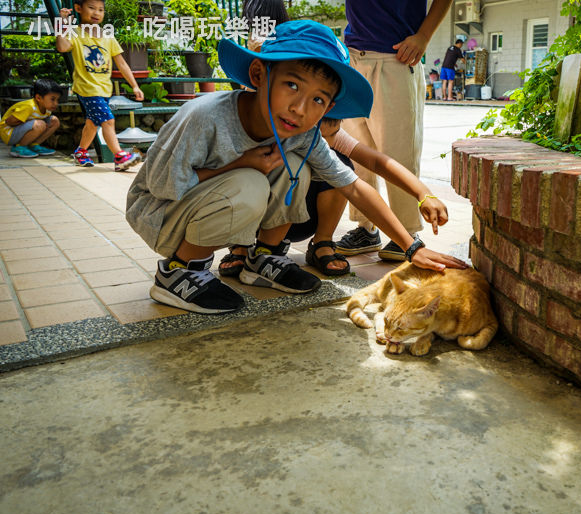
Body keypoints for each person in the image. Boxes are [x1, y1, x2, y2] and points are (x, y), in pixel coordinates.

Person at [125, 20, 466, 315]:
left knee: (296, 166)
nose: (301, 109)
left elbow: (353, 186)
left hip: (207, 206)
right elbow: (162, 185)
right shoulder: (206, 117)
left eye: (318, 99)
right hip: (161, 213)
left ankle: (263, 258)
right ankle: (180, 271)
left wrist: (413, 248)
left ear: (330, 106)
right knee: (250, 182)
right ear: (260, 74)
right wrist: (243, 163)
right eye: (292, 85)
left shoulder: (302, 135)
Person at [218, 117, 451, 278]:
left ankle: (322, 243)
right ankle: (242, 245)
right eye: (322, 137)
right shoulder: (267, 129)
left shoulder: (329, 132)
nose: (326, 144)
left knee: (340, 164)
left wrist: (423, 194)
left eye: (333, 135)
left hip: (301, 219)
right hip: (258, 218)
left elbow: (376, 162)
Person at [336, 0, 453, 261]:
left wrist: (424, 36)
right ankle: (365, 227)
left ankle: (407, 232)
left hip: (397, 55)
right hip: (353, 56)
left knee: (398, 150)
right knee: (357, 152)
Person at [55, 0, 143, 171]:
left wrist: (135, 86)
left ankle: (80, 152)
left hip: (104, 88)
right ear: (79, 8)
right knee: (108, 120)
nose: (97, 13)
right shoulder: (75, 33)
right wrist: (62, 23)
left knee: (92, 124)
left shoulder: (108, 36)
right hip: (87, 87)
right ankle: (119, 156)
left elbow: (122, 64)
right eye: (92, 8)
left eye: (101, 9)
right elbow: (62, 46)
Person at [0, 78, 62, 158]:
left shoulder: (47, 109)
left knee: (54, 121)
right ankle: (19, 148)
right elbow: (9, 121)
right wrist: (31, 123)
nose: (56, 103)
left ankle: (34, 145)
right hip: (8, 133)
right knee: (40, 124)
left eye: (57, 100)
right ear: (38, 98)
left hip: (19, 131)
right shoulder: (29, 106)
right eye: (52, 99)